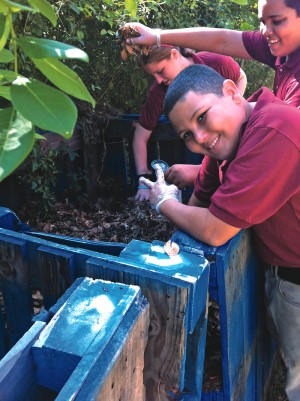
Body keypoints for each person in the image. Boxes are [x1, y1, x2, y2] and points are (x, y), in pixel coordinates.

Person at [140, 64, 300, 401]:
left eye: (201, 117)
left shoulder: (275, 128)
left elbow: (214, 230)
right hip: (280, 278)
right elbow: (199, 205)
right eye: (186, 134)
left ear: (231, 92)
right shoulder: (232, 136)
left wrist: (164, 202)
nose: (198, 139)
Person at [123, 0, 300, 108]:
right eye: (262, 22)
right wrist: (156, 37)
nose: (264, 32)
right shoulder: (282, 48)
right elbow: (223, 40)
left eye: (276, 21)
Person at [131, 44, 247, 201]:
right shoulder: (158, 93)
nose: (158, 80)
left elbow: (240, 77)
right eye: (153, 76)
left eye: (160, 71)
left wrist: (233, 109)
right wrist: (143, 181)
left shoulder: (215, 62)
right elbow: (140, 137)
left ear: (175, 55)